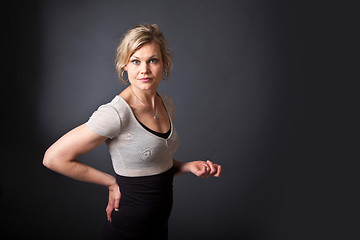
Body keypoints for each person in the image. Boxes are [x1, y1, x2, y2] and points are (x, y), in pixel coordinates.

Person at [43, 23, 222, 240]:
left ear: (164, 63)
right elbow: (53, 158)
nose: (144, 70)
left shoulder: (166, 103)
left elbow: (152, 162)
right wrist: (110, 182)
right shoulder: (117, 113)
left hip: (158, 225)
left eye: (152, 60)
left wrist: (187, 167)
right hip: (129, 229)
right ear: (124, 65)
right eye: (136, 61)